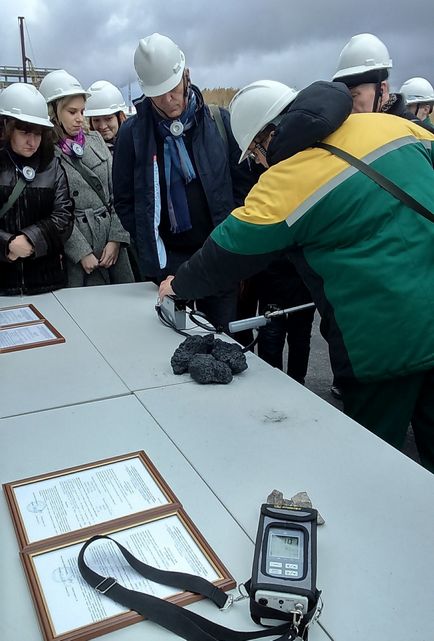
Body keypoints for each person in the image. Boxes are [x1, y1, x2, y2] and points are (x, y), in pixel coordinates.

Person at [159, 79, 434, 474]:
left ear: (268, 135)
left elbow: (227, 253)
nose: (256, 162)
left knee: (378, 470)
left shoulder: (288, 179)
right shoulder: (389, 126)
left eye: (254, 152)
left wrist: (178, 285)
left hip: (381, 346)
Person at [113, 33, 258, 330]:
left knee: (221, 337)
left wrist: (233, 247)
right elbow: (125, 200)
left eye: (172, 89)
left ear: (186, 77)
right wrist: (151, 247)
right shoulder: (132, 135)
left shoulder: (220, 122)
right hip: (167, 262)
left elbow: (244, 188)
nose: (168, 100)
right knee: (169, 344)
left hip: (217, 253)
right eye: (158, 94)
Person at [39, 70, 134, 287]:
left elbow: (119, 194)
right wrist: (80, 252)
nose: (80, 119)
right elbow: (53, 212)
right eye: (72, 112)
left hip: (112, 245)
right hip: (78, 253)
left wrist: (116, 239)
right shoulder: (46, 155)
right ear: (53, 112)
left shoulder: (96, 141)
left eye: (82, 111)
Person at [0, 83, 73, 295]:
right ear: (7, 128)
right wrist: (7, 244)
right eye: (24, 132)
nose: (32, 142)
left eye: (39, 134)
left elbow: (64, 215)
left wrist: (31, 239)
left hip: (47, 282)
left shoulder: (52, 166)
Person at [332, 32, 433, 131]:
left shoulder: (416, 135)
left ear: (382, 90)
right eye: (345, 97)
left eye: (354, 96)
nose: (348, 105)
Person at [85, 80, 127, 154]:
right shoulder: (86, 151)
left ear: (120, 117)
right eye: (96, 120)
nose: (102, 126)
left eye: (108, 118)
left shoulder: (136, 145)